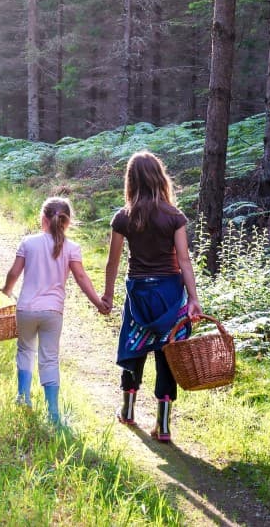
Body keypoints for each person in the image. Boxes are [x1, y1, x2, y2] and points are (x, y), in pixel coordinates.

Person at [101, 151, 202, 442]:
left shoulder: (124, 217)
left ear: (131, 180)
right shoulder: (174, 217)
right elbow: (184, 260)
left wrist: (108, 296)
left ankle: (128, 410)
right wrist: (193, 299)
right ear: (160, 177)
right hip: (170, 293)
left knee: (134, 346)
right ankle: (164, 425)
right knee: (168, 352)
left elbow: (113, 262)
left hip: (139, 294)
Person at [2, 197, 110, 424]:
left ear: (43, 219)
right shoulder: (72, 248)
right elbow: (82, 278)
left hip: (26, 309)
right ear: (67, 222)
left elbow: (14, 273)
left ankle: (23, 397)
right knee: (49, 359)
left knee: (25, 350)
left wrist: (7, 289)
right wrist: (98, 303)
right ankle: (53, 413)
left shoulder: (29, 242)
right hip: (53, 312)